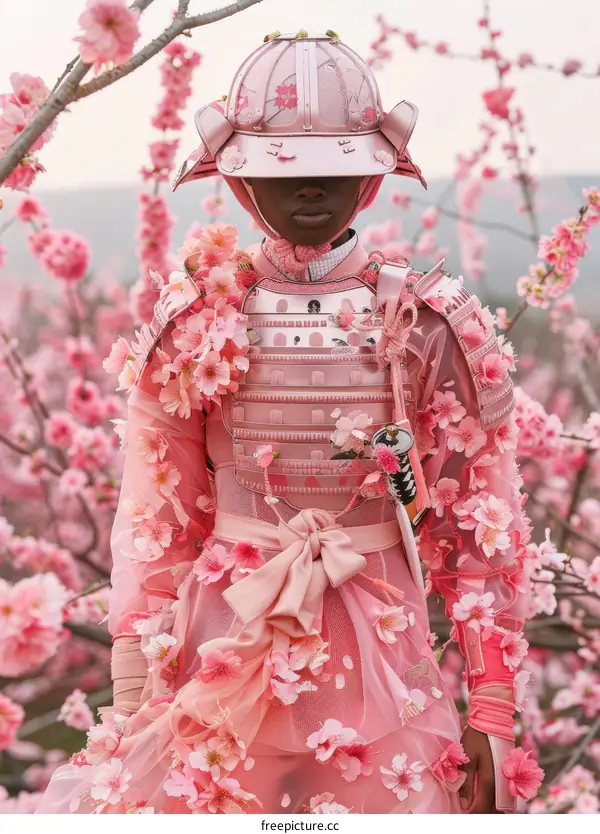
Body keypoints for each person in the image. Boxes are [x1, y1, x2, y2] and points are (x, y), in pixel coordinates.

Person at [36, 30, 531, 815]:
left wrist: (493, 705)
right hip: (219, 646)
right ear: (239, 181)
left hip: (384, 658)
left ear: (372, 176)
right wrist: (134, 692)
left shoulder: (433, 323)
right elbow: (155, 522)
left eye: (341, 164)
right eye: (281, 169)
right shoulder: (195, 315)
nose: (313, 189)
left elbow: (477, 532)